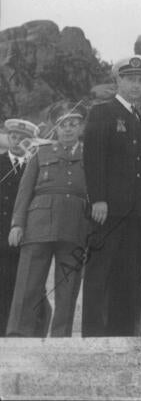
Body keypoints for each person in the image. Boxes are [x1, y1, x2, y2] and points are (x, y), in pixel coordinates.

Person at [82, 54, 141, 337]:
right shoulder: (103, 112)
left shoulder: (140, 119)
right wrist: (98, 198)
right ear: (118, 80)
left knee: (128, 275)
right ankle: (93, 334)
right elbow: (93, 157)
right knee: (100, 271)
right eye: (131, 79)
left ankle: (121, 333)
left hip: (136, 213)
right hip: (108, 209)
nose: (136, 85)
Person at [7, 105, 88, 337]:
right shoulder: (40, 153)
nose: (68, 129)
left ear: (80, 127)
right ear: (56, 127)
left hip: (74, 226)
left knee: (68, 284)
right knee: (28, 282)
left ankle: (61, 335)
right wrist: (17, 224)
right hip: (38, 224)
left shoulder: (89, 156)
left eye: (73, 124)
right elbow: (24, 192)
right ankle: (18, 333)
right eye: (63, 124)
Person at [0, 119, 43, 335]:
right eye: (13, 137)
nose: (16, 141)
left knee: (28, 286)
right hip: (1, 236)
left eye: (22, 138)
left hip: (27, 236)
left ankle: (26, 333)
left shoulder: (35, 166)